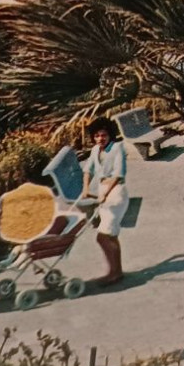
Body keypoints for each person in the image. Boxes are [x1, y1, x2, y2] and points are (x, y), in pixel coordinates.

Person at [81, 117, 130, 286]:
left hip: (116, 194)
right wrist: (86, 188)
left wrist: (106, 194)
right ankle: (118, 271)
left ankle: (113, 272)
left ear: (110, 135)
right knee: (112, 236)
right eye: (97, 136)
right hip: (103, 193)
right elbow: (88, 170)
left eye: (103, 135)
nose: (100, 139)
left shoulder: (118, 148)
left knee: (103, 237)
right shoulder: (95, 150)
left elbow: (119, 174)